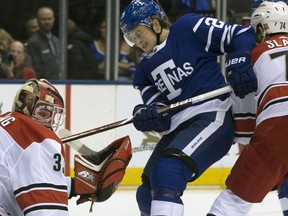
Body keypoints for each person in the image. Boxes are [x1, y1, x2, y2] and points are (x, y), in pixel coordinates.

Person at [119, 0, 257, 215]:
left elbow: (242, 34)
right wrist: (148, 114)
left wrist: (239, 59)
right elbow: (161, 111)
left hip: (213, 114)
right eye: (133, 38)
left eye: (139, 33)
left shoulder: (188, 27)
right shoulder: (144, 71)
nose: (138, 42)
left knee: (168, 170)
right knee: (145, 193)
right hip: (178, 127)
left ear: (155, 24)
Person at [0, 78, 132, 215]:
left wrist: (75, 186)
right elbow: (48, 211)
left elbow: (21, 179)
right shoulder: (37, 139)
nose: (51, 123)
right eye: (46, 114)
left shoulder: (6, 125)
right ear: (35, 113)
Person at [207, 1, 288, 215]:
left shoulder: (251, 56)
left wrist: (250, 155)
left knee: (234, 201)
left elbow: (245, 123)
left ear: (261, 28)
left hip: (279, 126)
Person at [26, 7, 60, 79]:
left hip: (59, 82)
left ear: (54, 20)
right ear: (38, 21)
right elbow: (35, 67)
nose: (47, 22)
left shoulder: (56, 40)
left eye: (49, 19)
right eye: (44, 19)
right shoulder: (33, 42)